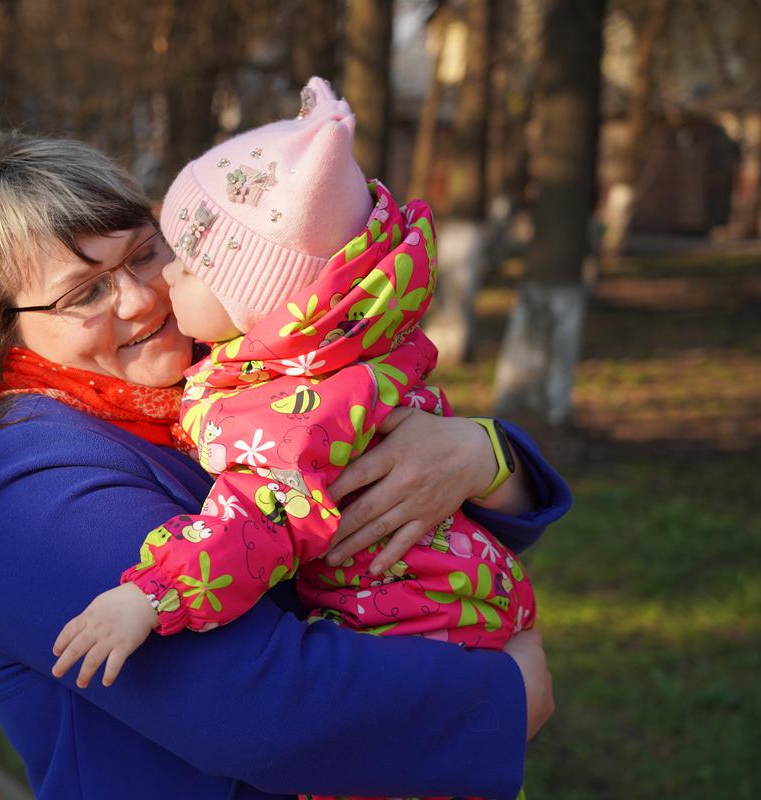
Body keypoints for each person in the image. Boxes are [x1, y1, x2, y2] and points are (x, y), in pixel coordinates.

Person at [0, 131, 571, 800]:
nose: (140, 298)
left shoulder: (226, 381)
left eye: (146, 253)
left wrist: (481, 456)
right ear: (2, 329)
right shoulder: (36, 489)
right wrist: (503, 698)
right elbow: (254, 708)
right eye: (83, 294)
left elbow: (412, 517)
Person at [52, 78, 534, 714]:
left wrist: (149, 597)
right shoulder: (340, 353)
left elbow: (259, 521)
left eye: (187, 267)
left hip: (413, 626)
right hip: (459, 597)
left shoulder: (292, 410)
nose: (165, 279)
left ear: (258, 303)